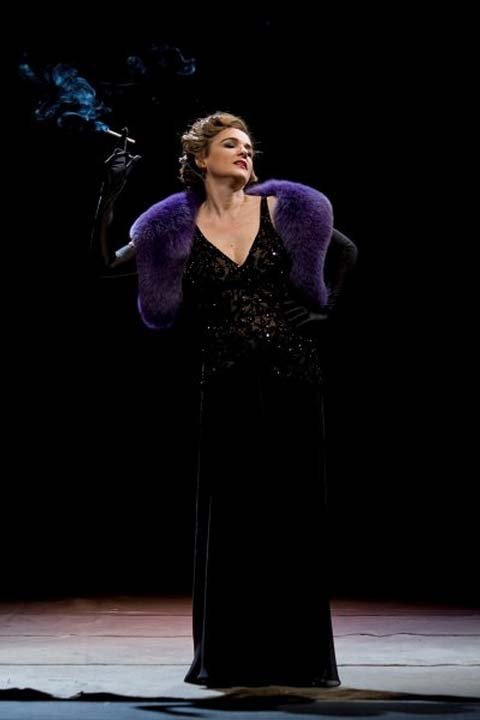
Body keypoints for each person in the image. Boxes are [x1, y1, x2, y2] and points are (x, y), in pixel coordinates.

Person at [103, 112, 357, 688]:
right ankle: (230, 658)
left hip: (293, 375)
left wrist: (326, 309)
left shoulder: (285, 208)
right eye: (229, 144)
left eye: (248, 145)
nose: (245, 152)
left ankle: (301, 661)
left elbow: (348, 252)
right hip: (224, 378)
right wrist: (108, 197)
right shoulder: (173, 225)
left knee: (293, 519)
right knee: (233, 522)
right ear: (200, 159)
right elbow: (104, 265)